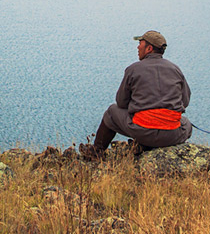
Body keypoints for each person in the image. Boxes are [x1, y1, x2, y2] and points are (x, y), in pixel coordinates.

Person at [80, 30, 192, 160]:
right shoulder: (175, 69)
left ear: (149, 48)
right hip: (172, 135)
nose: (138, 47)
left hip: (143, 132)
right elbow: (185, 101)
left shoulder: (133, 69)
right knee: (186, 123)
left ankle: (96, 153)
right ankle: (146, 146)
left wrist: (139, 106)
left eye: (140, 43)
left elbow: (121, 102)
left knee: (111, 112)